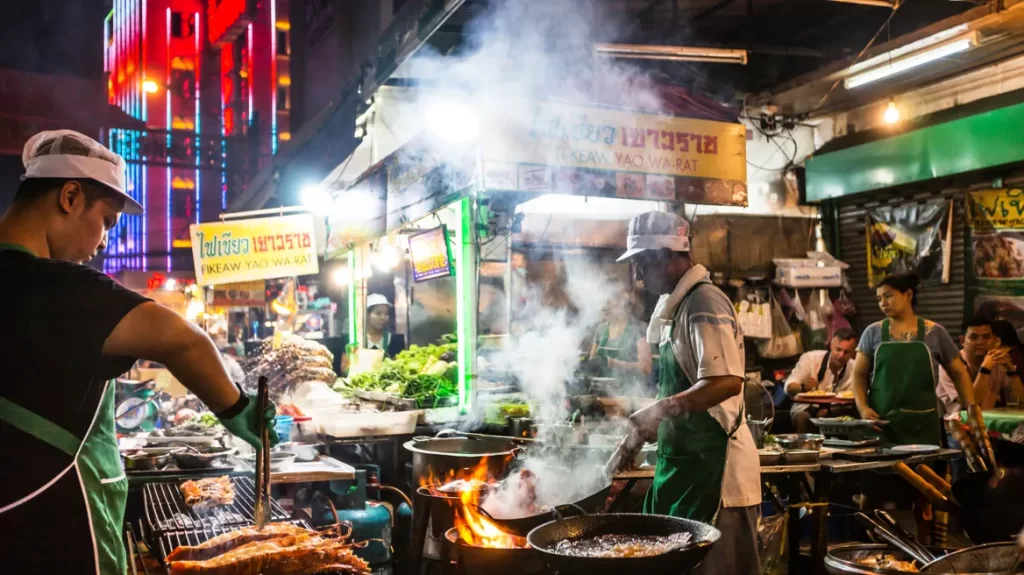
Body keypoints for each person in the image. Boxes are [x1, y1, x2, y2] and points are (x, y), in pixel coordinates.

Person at [0, 130, 277, 574]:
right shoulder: (49, 287)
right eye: (107, 222)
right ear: (70, 196)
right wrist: (236, 407)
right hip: (52, 529)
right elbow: (182, 339)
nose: (104, 242)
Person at [612, 212, 761, 575]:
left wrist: (659, 410)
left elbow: (726, 381)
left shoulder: (704, 302)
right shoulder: (677, 308)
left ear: (667, 255)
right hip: (684, 468)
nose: (638, 275)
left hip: (717, 475)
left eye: (642, 262)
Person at [851, 273, 976, 445]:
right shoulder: (872, 332)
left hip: (923, 425)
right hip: (882, 424)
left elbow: (960, 374)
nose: (883, 303)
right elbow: (858, 375)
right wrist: (863, 408)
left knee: (924, 471)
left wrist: (972, 412)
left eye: (888, 296)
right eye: (879, 299)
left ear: (908, 295)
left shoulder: (935, 332)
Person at [937, 317, 1024, 414]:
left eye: (986, 337)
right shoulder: (950, 364)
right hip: (959, 424)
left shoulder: (997, 362)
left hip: (990, 423)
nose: (980, 342)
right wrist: (985, 370)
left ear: (995, 341)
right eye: (973, 337)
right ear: (962, 341)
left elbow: (1020, 402)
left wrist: (1012, 371)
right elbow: (971, 404)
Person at [784, 328, 858, 433]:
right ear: (831, 346)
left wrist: (831, 412)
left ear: (853, 353)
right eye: (838, 349)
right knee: (802, 418)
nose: (841, 355)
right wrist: (802, 387)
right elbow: (788, 388)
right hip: (805, 409)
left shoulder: (855, 367)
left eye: (846, 352)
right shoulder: (810, 358)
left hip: (837, 411)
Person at [588, 285, 652, 386]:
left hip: (633, 390)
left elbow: (645, 368)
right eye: (602, 302)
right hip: (603, 391)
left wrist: (616, 363)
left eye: (609, 302)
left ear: (622, 302)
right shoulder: (601, 330)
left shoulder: (638, 328)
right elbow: (591, 363)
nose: (604, 307)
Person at [365, 293, 405, 359]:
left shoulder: (396, 341)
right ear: (367, 315)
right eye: (378, 313)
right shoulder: (356, 341)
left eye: (386, 313)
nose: (383, 317)